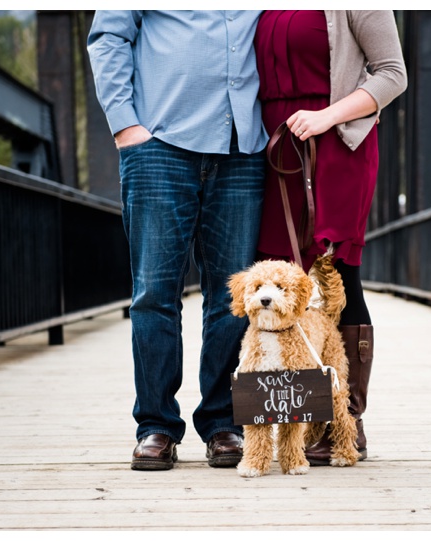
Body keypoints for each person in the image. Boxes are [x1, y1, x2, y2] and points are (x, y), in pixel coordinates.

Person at [87, 11, 268, 471]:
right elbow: (108, 36)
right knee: (154, 294)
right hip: (160, 146)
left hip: (241, 149)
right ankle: (156, 427)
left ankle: (224, 423)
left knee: (233, 298)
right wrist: (126, 125)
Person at [253, 10, 407, 464]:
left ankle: (348, 422)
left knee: (338, 279)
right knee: (278, 281)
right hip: (272, 148)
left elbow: (392, 74)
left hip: (336, 144)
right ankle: (296, 422)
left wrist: (326, 117)